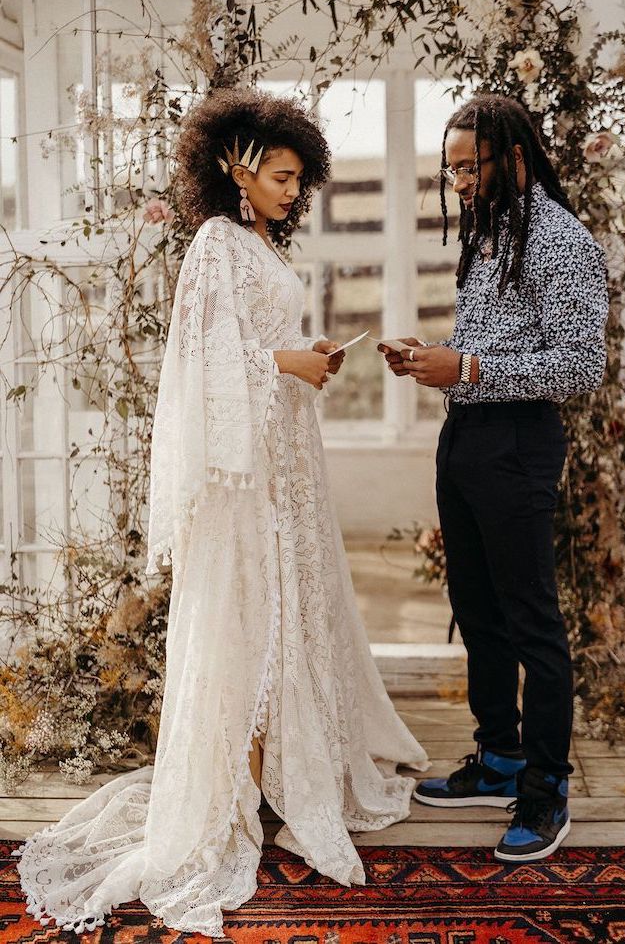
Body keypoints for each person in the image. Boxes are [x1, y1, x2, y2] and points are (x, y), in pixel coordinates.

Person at [16, 87, 428, 936]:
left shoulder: (257, 244)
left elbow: (252, 349)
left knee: (282, 616)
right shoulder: (213, 243)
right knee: (244, 622)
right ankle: (231, 792)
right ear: (234, 165)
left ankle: (272, 771)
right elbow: (202, 361)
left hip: (282, 462)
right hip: (243, 476)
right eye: (279, 175)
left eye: (296, 179)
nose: (291, 191)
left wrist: (303, 357)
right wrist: (284, 359)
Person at [380, 93, 608, 863]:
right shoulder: (488, 236)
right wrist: (435, 354)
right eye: (450, 171)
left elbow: (580, 363)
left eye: (467, 167)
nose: (459, 184)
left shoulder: (559, 238)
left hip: (517, 443)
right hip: (467, 436)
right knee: (477, 609)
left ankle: (545, 788)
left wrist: (467, 366)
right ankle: (500, 756)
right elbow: (496, 342)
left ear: (512, 158)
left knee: (530, 620)